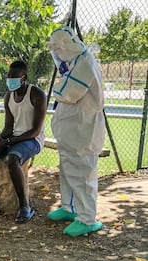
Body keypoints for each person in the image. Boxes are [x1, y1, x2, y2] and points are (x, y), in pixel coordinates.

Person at [0, 60, 47, 223]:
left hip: (33, 140)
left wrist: (8, 142)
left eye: (13, 77)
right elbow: (8, 128)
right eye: (8, 76)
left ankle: (24, 207)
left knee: (12, 159)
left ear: (23, 77)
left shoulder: (37, 95)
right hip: (13, 139)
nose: (9, 80)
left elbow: (35, 131)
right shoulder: (9, 97)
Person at [47, 26, 105, 237]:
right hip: (72, 130)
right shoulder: (75, 61)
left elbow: (66, 93)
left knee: (82, 173)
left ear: (65, 46)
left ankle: (87, 218)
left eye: (58, 49)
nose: (57, 54)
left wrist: (57, 86)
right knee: (68, 169)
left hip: (83, 130)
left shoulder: (85, 63)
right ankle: (69, 208)